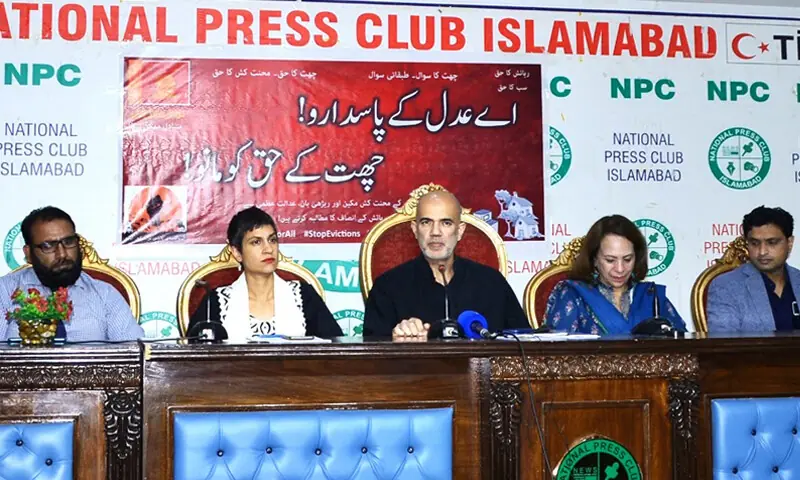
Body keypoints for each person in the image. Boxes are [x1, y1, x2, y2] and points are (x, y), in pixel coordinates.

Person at [363, 189, 529, 338]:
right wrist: (396, 337)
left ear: (460, 231)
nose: (435, 232)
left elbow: (525, 342)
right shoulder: (387, 287)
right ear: (415, 229)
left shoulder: (492, 282)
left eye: (446, 223)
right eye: (426, 222)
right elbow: (371, 353)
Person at [188, 207, 342, 340]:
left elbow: (336, 350)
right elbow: (195, 361)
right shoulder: (216, 303)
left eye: (272, 240)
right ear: (237, 252)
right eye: (256, 242)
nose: (268, 249)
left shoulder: (304, 296)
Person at [0, 207, 144, 341]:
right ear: (28, 253)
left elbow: (133, 355)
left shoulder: (105, 295)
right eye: (48, 246)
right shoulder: (5, 292)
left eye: (68, 242)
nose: (62, 254)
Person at [543, 214, 686, 335]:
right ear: (594, 259)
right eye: (610, 260)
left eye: (627, 259)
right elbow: (557, 354)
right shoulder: (573, 294)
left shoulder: (650, 296)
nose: (620, 269)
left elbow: (685, 347)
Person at [707, 206, 800, 332]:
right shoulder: (726, 287)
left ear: (789, 243)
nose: (762, 252)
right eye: (754, 243)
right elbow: (724, 346)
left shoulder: (796, 280)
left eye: (771, 242)